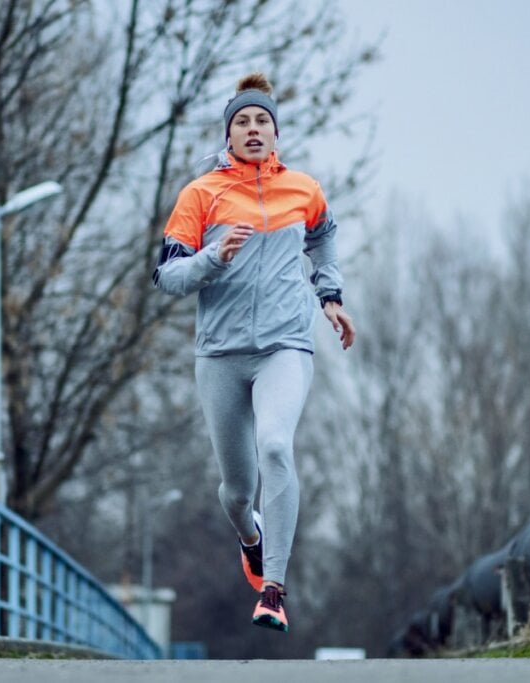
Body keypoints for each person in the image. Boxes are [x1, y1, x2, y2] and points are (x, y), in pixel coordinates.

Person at [152, 72, 355, 632]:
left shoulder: (303, 189)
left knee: (276, 446)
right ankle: (251, 536)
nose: (253, 128)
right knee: (238, 492)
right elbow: (166, 276)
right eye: (242, 121)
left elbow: (325, 235)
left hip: (285, 345)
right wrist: (213, 258)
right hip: (220, 355)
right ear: (229, 135)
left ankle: (274, 591)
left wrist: (330, 295)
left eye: (262, 120)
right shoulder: (200, 194)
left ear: (275, 132)